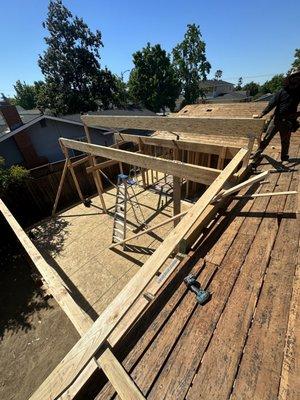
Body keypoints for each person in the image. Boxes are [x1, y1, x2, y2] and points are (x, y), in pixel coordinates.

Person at [254, 69, 300, 161]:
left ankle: (284, 157)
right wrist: (262, 114)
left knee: (285, 141)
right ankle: (257, 154)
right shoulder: (282, 92)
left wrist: (297, 114)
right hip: (276, 120)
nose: (296, 80)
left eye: (298, 78)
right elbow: (271, 104)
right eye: (294, 78)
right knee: (266, 138)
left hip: (287, 122)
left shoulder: (298, 93)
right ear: (290, 80)